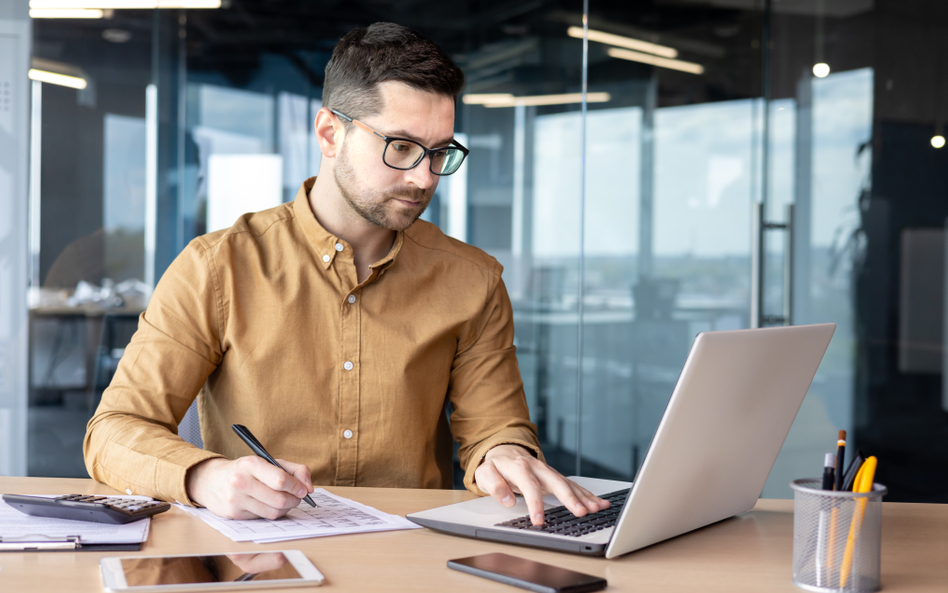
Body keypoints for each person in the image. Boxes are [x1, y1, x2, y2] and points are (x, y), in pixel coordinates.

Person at [84, 22, 607, 527]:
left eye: (440, 152)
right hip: (260, 558)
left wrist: (503, 452)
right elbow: (113, 431)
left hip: (409, 559)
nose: (424, 177)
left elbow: (495, 425)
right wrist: (206, 476)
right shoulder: (217, 266)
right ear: (330, 133)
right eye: (400, 147)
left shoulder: (474, 280)